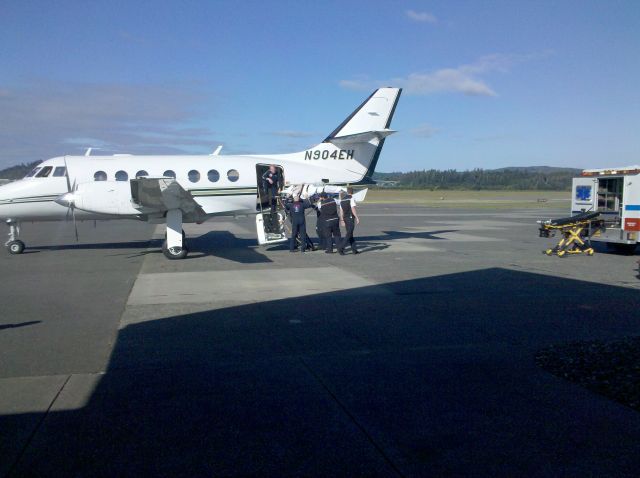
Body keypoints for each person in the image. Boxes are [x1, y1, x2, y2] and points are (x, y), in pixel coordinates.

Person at [338, 187, 360, 255]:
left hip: (345, 218)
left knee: (350, 234)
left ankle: (354, 250)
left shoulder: (342, 200)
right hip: (350, 218)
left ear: (347, 192)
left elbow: (341, 211)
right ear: (352, 192)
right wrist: (357, 217)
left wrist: (342, 220)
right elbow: (353, 209)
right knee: (349, 234)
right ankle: (341, 248)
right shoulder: (351, 198)